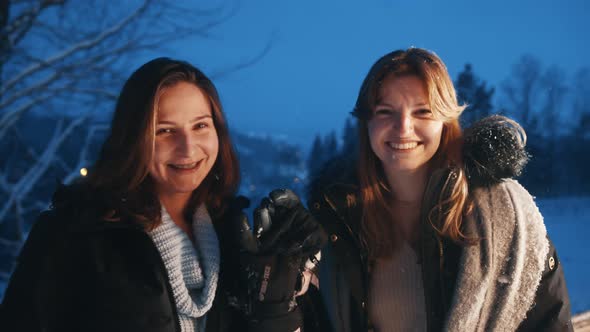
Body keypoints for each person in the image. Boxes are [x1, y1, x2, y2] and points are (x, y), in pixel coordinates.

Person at [0, 57, 324, 332]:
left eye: (200, 126)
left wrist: (277, 302)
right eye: (165, 130)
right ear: (134, 139)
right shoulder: (74, 235)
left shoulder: (232, 238)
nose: (188, 148)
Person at [305, 48, 573, 331]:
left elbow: (549, 323)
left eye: (422, 111)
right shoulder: (339, 219)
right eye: (386, 112)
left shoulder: (506, 215)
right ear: (366, 123)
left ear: (445, 122)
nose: (403, 127)